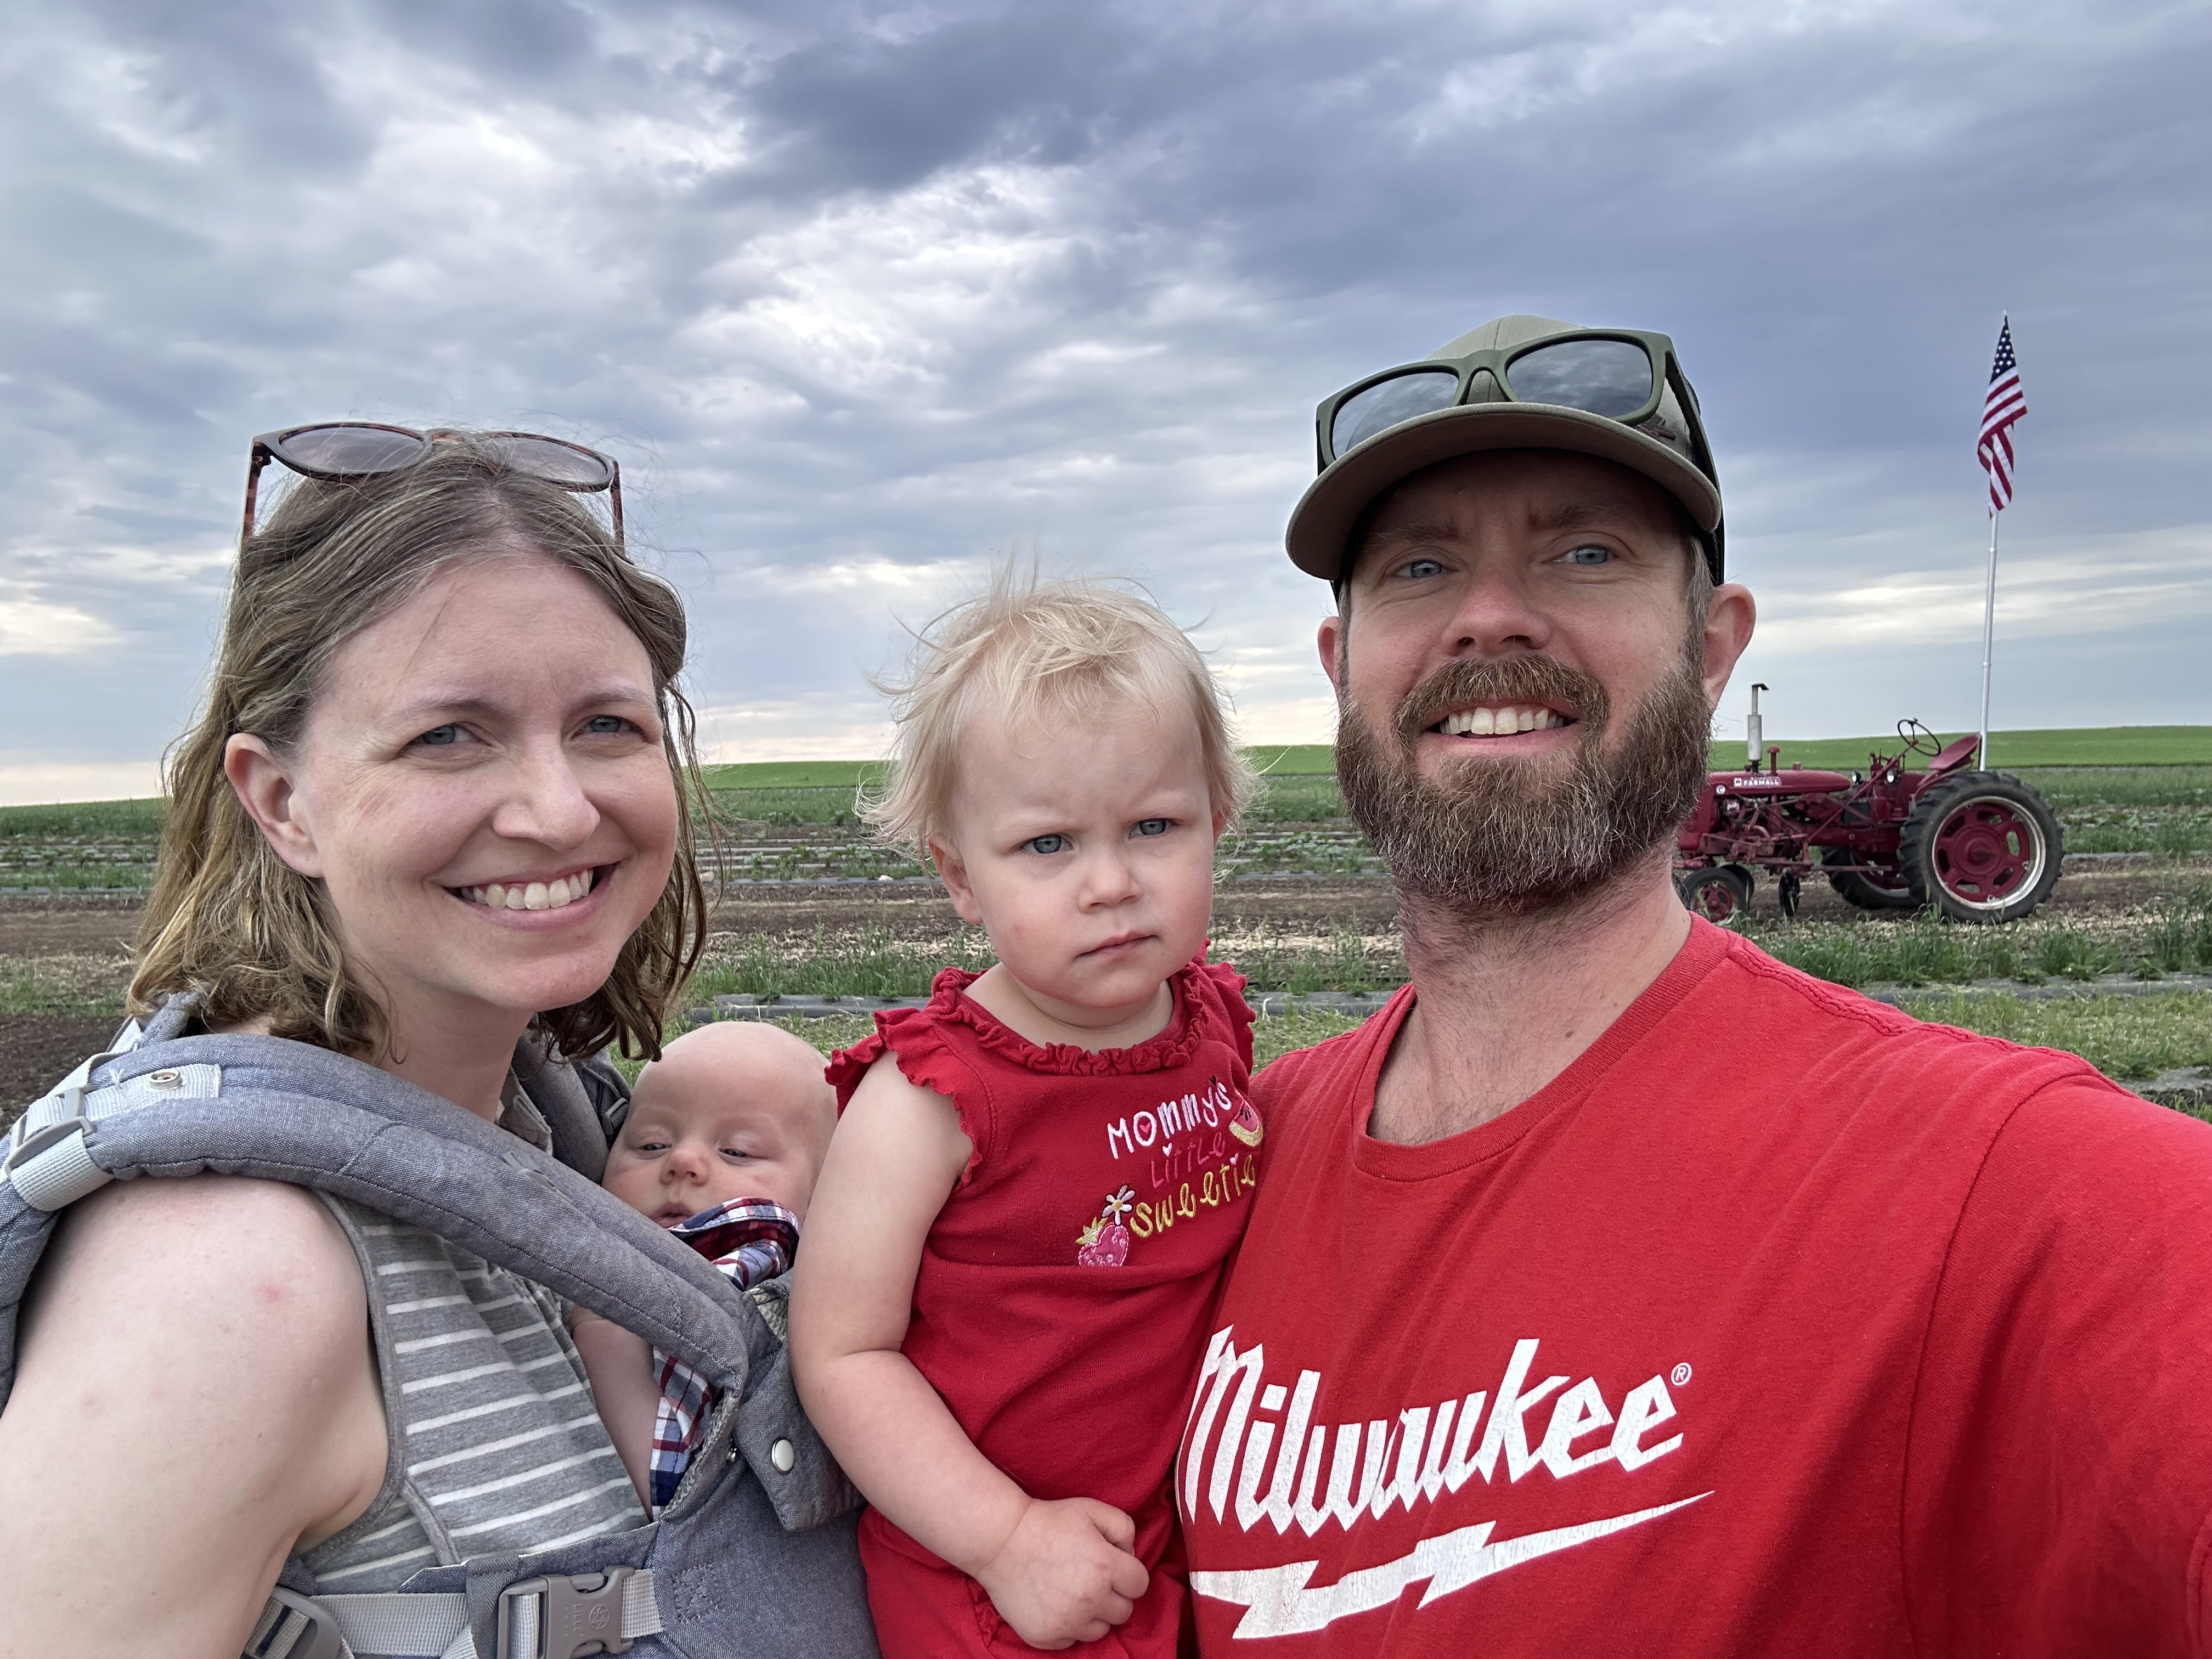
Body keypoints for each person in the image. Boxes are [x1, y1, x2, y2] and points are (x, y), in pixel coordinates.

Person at [1176, 314, 2212, 1655]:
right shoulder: (1227, 1166)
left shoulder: (1996, 1194)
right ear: (1342, 672)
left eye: (1586, 550)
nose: (1490, 613)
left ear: (1714, 646)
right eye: (1420, 565)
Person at [0, 427, 877, 1658]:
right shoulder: (231, 1288)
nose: (560, 808)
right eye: (447, 736)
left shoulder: (557, 1134)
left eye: (608, 726)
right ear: (282, 801)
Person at [790, 577, 1266, 1656]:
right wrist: (1003, 1537)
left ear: (1216, 825)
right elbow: (844, 1357)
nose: (1111, 882)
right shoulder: (930, 1098)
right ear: (960, 876)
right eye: (1048, 845)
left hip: (1180, 1534)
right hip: (994, 1577)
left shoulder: (1215, 1028)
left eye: (1154, 826)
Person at [575, 1020, 839, 1510]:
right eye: (652, 1144)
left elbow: (674, 1490)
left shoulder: (754, 1249)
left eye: (737, 1151)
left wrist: (599, 1327)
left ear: (828, 1191)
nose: (682, 1161)